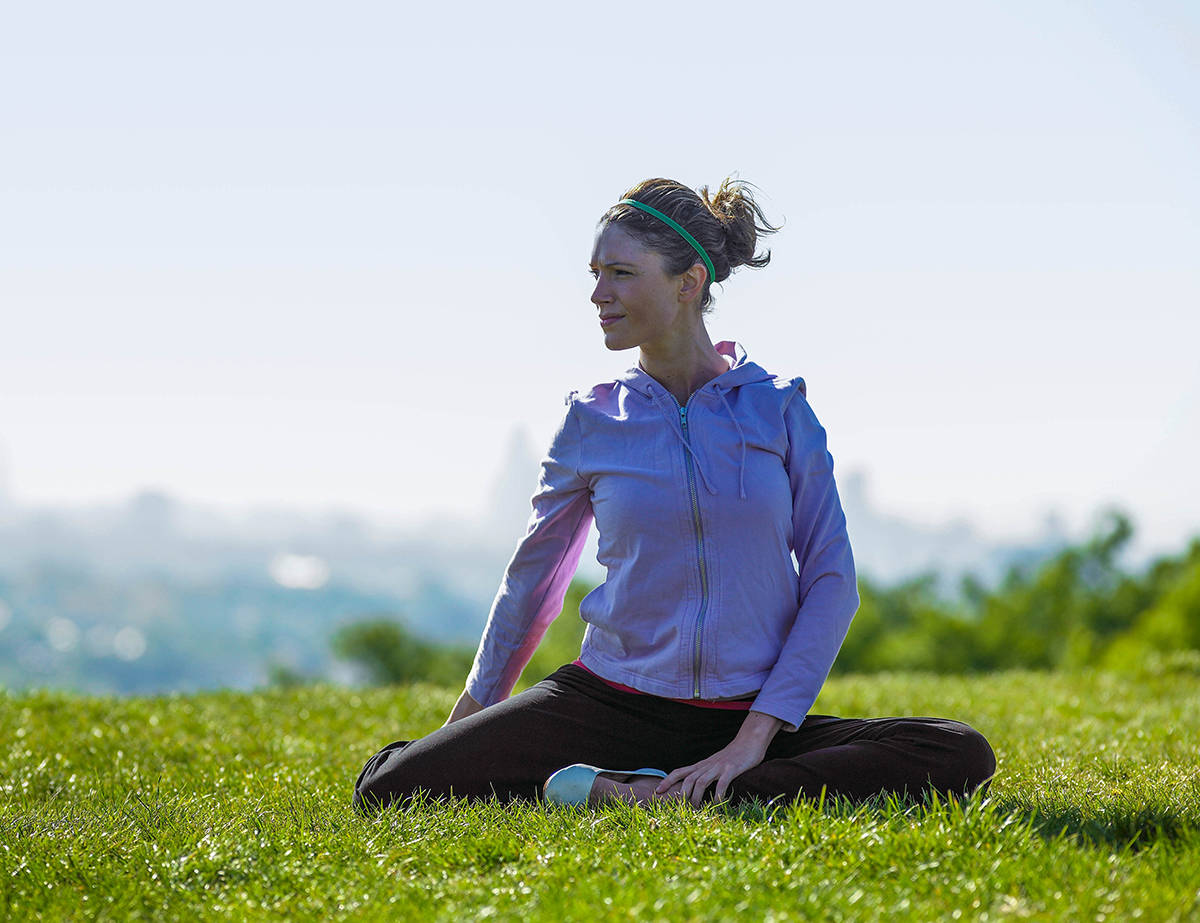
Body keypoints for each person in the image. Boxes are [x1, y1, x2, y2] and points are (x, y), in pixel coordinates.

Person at [354, 177, 995, 811]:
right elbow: (533, 583)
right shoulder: (592, 421)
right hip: (608, 698)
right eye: (595, 272)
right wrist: (462, 728)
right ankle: (694, 792)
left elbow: (831, 578)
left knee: (957, 751)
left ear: (689, 283)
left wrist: (752, 739)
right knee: (389, 785)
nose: (598, 294)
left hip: (747, 714)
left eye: (622, 273)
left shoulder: (778, 410)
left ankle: (645, 793)